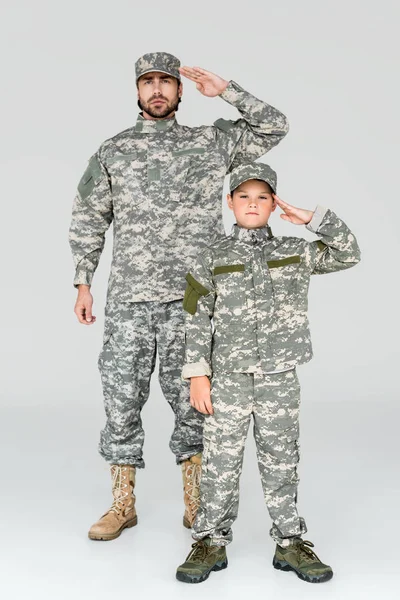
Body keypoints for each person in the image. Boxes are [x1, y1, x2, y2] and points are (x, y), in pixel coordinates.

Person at [69, 52, 290, 541]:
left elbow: (274, 126)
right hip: (129, 296)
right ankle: (122, 503)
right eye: (147, 81)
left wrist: (227, 88)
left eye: (166, 81)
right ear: (136, 90)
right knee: (121, 397)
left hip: (193, 297)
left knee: (195, 402)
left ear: (180, 91)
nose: (157, 90)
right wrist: (83, 280)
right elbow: (89, 217)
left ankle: (198, 499)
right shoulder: (114, 151)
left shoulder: (210, 142)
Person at [176, 162, 361, 583]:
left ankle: (290, 543)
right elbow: (194, 318)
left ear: (274, 203)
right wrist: (197, 375)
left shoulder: (294, 250)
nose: (252, 204)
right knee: (220, 462)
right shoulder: (210, 257)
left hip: (279, 376)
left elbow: (349, 252)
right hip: (227, 379)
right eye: (244, 196)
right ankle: (209, 541)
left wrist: (313, 219)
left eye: (263, 196)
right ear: (230, 202)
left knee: (282, 461)